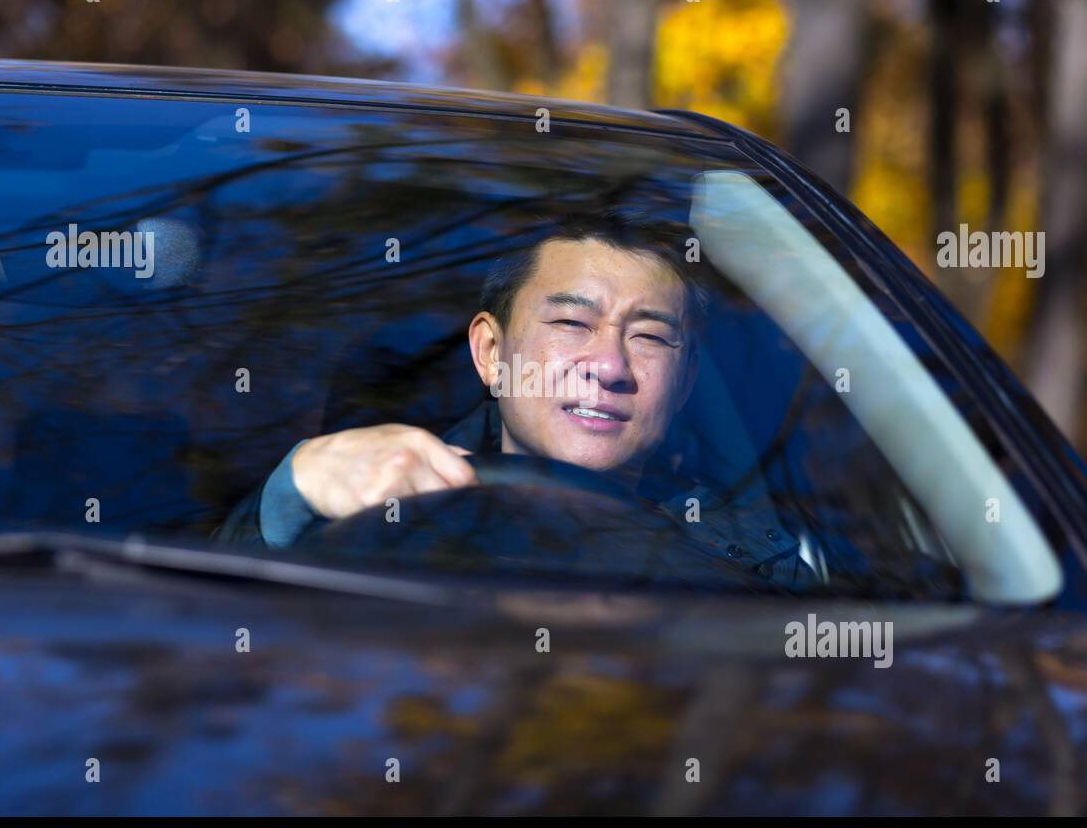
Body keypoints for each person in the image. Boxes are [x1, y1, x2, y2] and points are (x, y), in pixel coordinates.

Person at [213, 211, 812, 586]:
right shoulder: (373, 501)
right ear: (490, 355)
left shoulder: (754, 559)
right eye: (572, 324)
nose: (608, 366)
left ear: (684, 382)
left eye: (650, 336)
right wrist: (291, 494)